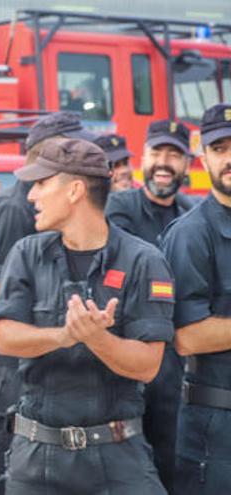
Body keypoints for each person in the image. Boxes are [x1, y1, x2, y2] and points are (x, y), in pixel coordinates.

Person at [0, 138, 171, 494]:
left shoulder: (143, 260)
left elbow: (148, 365)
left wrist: (97, 339)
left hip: (118, 460)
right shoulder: (26, 253)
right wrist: (65, 335)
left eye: (41, 183)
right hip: (35, 462)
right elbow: (4, 338)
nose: (31, 195)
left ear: (74, 190)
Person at [0, 111, 92, 495]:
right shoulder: (11, 210)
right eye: (71, 147)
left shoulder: (43, 210)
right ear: (43, 153)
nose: (80, 153)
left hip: (21, 371)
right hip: (0, 378)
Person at [103, 119, 197, 492]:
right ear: (143, 158)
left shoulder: (193, 213)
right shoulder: (118, 207)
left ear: (187, 163)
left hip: (176, 364)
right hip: (127, 358)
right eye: (157, 152)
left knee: (171, 464)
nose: (164, 162)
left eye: (174, 154)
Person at [161, 103, 231, 493]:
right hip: (216, 431)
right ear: (204, 160)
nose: (229, 158)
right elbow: (187, 337)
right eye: (219, 149)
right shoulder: (190, 234)